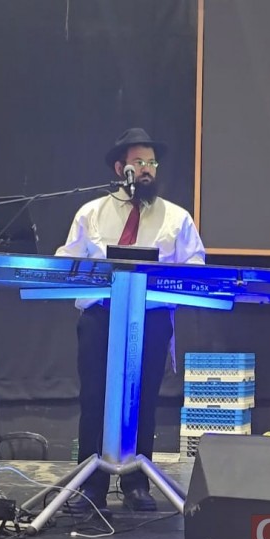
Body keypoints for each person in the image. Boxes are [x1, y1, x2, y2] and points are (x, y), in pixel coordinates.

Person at [56, 127, 205, 514]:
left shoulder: (176, 217)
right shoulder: (91, 213)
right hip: (100, 318)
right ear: (120, 168)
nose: (147, 169)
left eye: (152, 162)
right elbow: (66, 261)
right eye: (139, 162)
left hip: (149, 320)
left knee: (143, 400)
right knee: (95, 399)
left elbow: (196, 266)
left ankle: (137, 483)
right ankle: (91, 485)